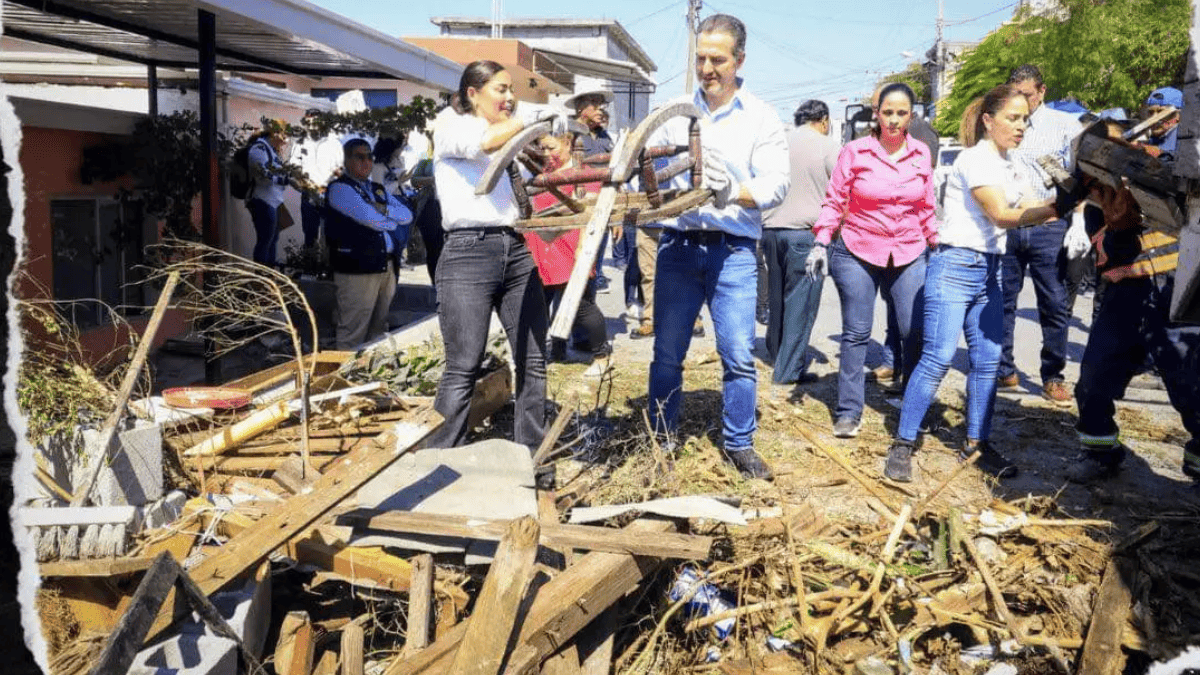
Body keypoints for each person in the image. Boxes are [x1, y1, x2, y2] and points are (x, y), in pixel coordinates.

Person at [885, 84, 1078, 482]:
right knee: (937, 357)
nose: (1021, 126)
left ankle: (977, 444)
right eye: (1012, 118)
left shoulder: (1014, 164)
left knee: (988, 362)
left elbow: (1027, 206)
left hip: (990, 269)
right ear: (989, 121)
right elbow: (1002, 215)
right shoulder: (975, 159)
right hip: (954, 267)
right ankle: (903, 444)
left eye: (1025, 119)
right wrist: (1061, 206)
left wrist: (1071, 196)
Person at [646, 14, 789, 479]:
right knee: (668, 353)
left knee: (738, 356)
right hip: (679, 247)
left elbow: (776, 185)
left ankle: (739, 443)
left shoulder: (762, 117)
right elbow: (648, 171)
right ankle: (661, 440)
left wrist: (733, 190)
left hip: (734, 253)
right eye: (701, 58)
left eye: (718, 59)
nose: (708, 68)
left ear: (739, 60)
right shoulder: (673, 113)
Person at [423, 60, 568, 451]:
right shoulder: (452, 124)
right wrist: (535, 117)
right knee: (463, 367)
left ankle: (532, 454)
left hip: (515, 250)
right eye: (500, 90)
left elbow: (524, 190)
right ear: (473, 93)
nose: (509, 98)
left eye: (511, 91)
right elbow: (482, 143)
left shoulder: (506, 139)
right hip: (468, 252)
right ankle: (435, 459)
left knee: (534, 359)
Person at [1066, 122, 1200, 488]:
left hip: (1181, 289)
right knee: (1093, 380)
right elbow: (1110, 261)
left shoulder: (1167, 169)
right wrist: (1121, 227)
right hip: (1128, 296)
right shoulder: (1098, 204)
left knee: (1192, 384)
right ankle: (1099, 452)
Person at [808, 82, 937, 439]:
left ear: (912, 116)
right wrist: (821, 241)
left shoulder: (921, 153)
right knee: (857, 333)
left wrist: (937, 241)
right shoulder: (855, 151)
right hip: (858, 249)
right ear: (876, 114)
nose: (894, 120)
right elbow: (835, 200)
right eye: (888, 112)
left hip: (909, 249)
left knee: (913, 332)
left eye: (901, 113)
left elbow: (925, 205)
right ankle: (849, 410)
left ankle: (912, 407)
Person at [996, 64, 1083, 406]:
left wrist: (1078, 222)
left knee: (1054, 303)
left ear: (1042, 91)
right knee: (1002, 301)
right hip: (1010, 224)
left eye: (1028, 96)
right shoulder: (1001, 124)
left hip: (1049, 228)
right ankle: (1004, 368)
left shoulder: (1065, 126)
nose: (1022, 103)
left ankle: (1053, 375)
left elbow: (1080, 178)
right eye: (1016, 95)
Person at [761, 99, 840, 385]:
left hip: (770, 230)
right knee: (801, 305)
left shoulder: (779, 142)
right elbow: (842, 188)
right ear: (824, 120)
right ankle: (788, 372)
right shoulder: (827, 145)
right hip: (805, 235)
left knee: (778, 299)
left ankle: (776, 354)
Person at [527, 131, 609, 365]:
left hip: (570, 245)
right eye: (542, 149)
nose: (546, 154)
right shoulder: (543, 174)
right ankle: (556, 351)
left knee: (580, 305)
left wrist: (584, 248)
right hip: (542, 248)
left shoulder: (583, 173)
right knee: (540, 304)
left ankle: (602, 356)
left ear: (567, 142)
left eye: (552, 148)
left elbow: (591, 208)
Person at [324, 138, 413, 350]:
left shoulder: (377, 189)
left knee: (378, 329)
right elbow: (372, 220)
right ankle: (345, 379)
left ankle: (370, 377)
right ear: (346, 160)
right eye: (359, 157)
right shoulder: (340, 189)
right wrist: (388, 218)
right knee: (352, 330)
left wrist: (383, 211)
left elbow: (407, 215)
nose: (366, 162)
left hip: (385, 265)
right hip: (356, 269)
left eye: (369, 157)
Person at [246, 122, 293, 267]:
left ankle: (269, 275)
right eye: (284, 136)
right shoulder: (259, 149)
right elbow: (263, 175)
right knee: (265, 241)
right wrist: (285, 179)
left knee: (272, 240)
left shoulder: (271, 150)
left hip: (274, 201)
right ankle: (262, 280)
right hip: (263, 200)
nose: (285, 141)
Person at [1136, 86, 1182, 162]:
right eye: (1151, 112)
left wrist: (1161, 154)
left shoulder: (1188, 142)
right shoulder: (1148, 138)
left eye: (1161, 112)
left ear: (1178, 116)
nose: (1154, 119)